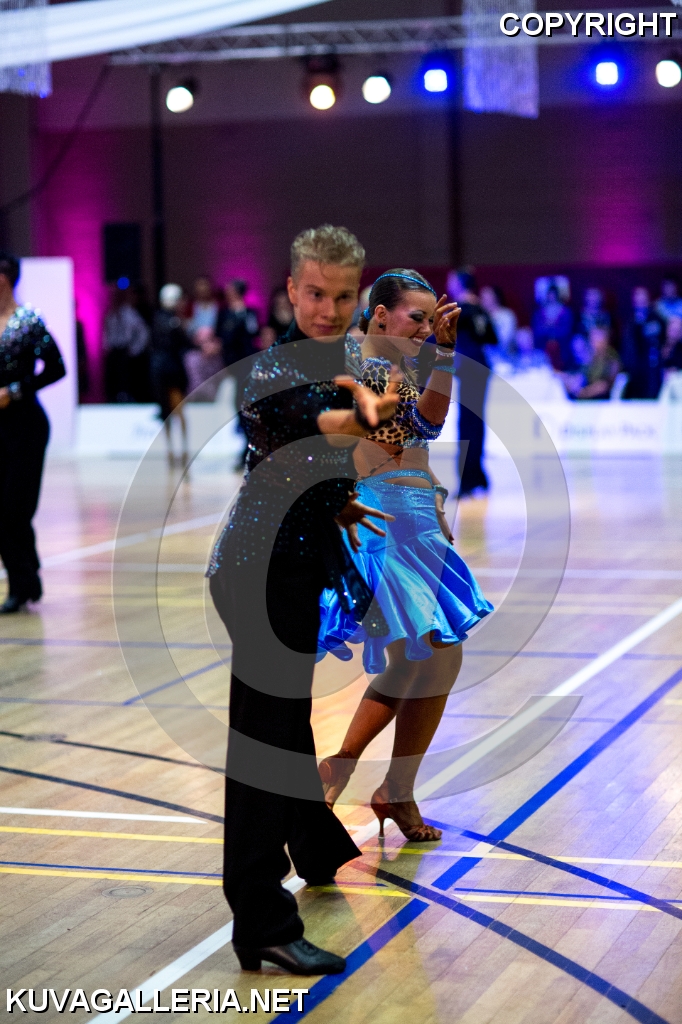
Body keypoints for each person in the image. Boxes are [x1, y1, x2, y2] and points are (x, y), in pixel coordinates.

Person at [207, 226, 400, 976]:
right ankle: (261, 919)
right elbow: (325, 425)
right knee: (263, 740)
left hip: (295, 563)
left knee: (286, 721)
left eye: (343, 296)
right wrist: (364, 414)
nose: (328, 308)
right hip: (258, 571)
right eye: (315, 293)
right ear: (291, 290)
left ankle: (315, 847)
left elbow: (316, 456)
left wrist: (334, 500)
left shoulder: (344, 356)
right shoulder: (271, 371)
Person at [316, 270, 492, 840]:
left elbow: (422, 436)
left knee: (439, 657)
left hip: (416, 519)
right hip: (375, 520)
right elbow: (389, 434)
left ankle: (394, 789)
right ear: (380, 313)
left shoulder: (402, 365)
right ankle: (345, 767)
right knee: (421, 652)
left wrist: (441, 354)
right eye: (417, 318)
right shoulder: (349, 360)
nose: (425, 328)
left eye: (431, 320)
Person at [0, 251, 66, 613]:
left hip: (25, 425)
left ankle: (22, 582)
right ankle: (26, 577)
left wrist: (15, 391)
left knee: (14, 508)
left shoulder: (28, 322)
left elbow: (56, 368)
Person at [447, 270, 498, 497]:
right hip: (482, 368)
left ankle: (467, 479)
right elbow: (492, 338)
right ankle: (478, 475)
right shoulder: (481, 309)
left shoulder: (459, 309)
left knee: (466, 422)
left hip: (468, 369)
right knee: (477, 421)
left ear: (459, 284)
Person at [217, 279, 262, 468]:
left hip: (248, 365)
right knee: (237, 404)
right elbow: (221, 337)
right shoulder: (224, 314)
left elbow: (254, 333)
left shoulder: (249, 313)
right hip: (232, 365)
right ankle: (247, 445)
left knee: (246, 404)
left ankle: (249, 448)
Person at [151, 284, 191, 465]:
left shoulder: (159, 319)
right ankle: (180, 450)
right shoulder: (173, 322)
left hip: (161, 371)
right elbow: (184, 343)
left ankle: (174, 451)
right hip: (171, 372)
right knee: (175, 410)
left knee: (167, 412)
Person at [103, 286, 150, 403]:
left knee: (126, 375)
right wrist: (106, 346)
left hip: (126, 349)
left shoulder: (130, 313)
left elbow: (143, 331)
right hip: (114, 349)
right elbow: (106, 331)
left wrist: (135, 349)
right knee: (113, 377)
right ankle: (114, 397)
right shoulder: (111, 313)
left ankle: (126, 396)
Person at [622, 287, 665, 399]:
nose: (641, 302)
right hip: (635, 368)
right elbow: (627, 347)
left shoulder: (656, 319)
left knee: (652, 395)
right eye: (638, 299)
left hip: (653, 367)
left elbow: (663, 341)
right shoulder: (630, 322)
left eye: (643, 298)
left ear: (648, 300)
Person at [563, 326, 621, 400]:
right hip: (587, 396)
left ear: (605, 340)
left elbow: (605, 386)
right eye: (592, 339)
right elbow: (582, 375)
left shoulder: (611, 359)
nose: (593, 342)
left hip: (601, 400)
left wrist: (584, 393)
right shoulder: (592, 356)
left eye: (597, 339)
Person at [532, 282, 574, 370]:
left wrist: (551, 329)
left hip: (562, 347)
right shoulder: (539, 312)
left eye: (553, 294)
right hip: (543, 345)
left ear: (557, 295)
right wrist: (548, 329)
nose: (552, 297)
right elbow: (537, 330)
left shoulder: (565, 311)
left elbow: (567, 330)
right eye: (550, 294)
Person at [184, 325, 225, 401]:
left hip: (216, 399)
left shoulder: (217, 358)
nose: (212, 344)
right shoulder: (191, 358)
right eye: (207, 340)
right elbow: (197, 384)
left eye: (212, 339)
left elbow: (223, 379)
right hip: (196, 398)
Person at [480, 284, 517, 357]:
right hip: (484, 358)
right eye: (482, 298)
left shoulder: (506, 315)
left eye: (487, 297)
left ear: (495, 298)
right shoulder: (480, 317)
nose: (483, 300)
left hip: (506, 356)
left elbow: (506, 340)